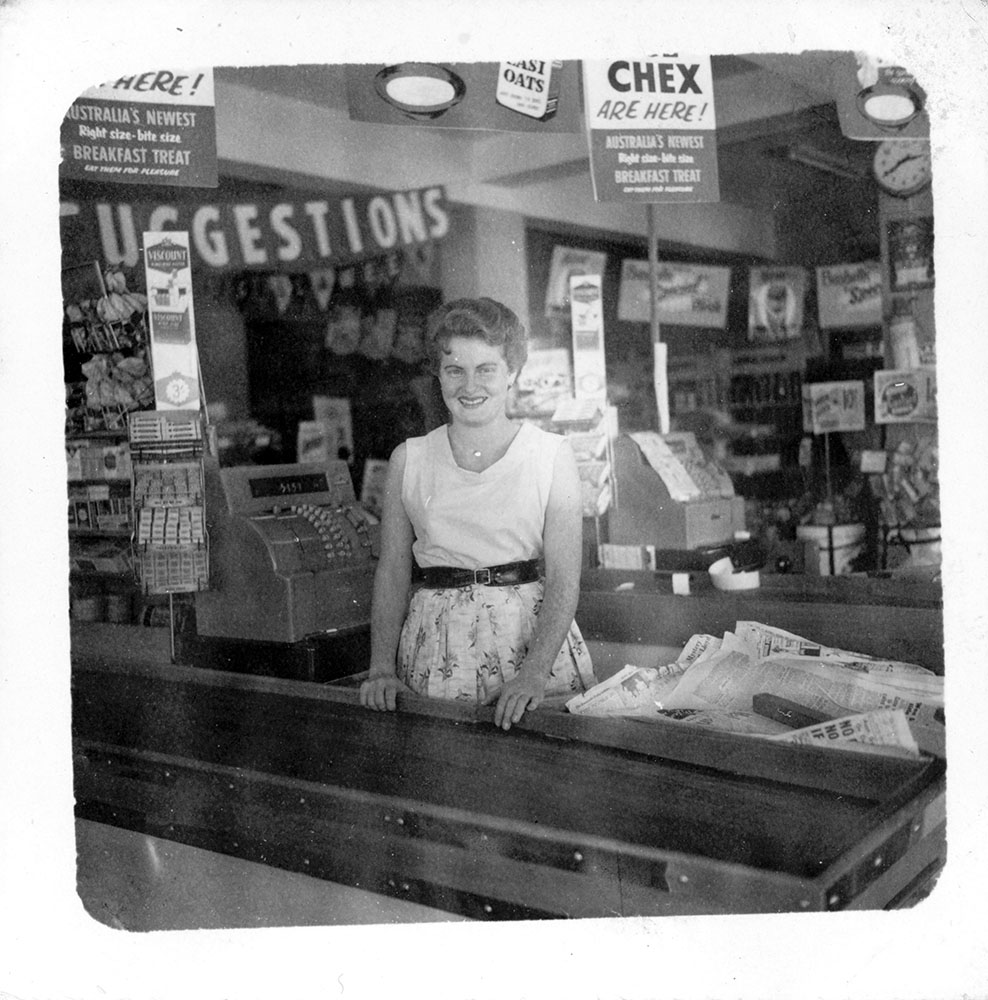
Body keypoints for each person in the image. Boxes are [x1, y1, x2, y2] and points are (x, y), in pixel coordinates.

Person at [359, 297, 596, 730]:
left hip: (531, 649)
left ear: (513, 373)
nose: (470, 386)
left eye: (486, 369)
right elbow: (393, 570)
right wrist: (380, 668)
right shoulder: (408, 459)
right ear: (439, 375)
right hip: (435, 650)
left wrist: (534, 673)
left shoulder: (551, 455)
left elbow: (565, 577)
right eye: (455, 370)